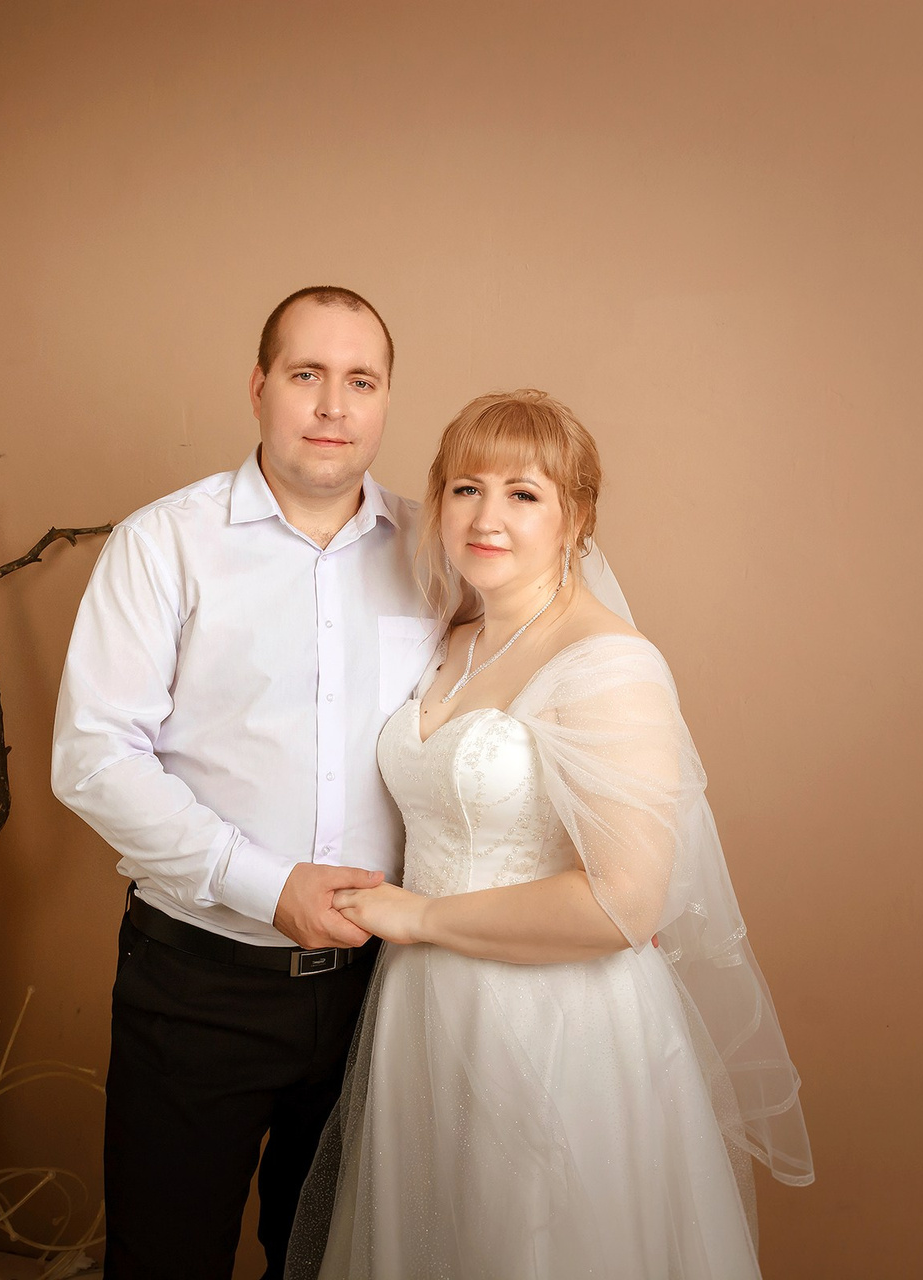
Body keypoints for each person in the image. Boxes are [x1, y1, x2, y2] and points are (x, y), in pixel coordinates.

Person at [50, 290, 631, 1280]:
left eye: (360, 380)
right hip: (200, 981)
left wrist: (613, 864)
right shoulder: (164, 543)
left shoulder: (441, 547)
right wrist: (268, 884)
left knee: (339, 1260)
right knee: (163, 1260)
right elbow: (94, 758)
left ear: (386, 397)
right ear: (259, 387)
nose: (332, 405)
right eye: (306, 375)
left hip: (385, 993)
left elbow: (535, 686)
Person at [284, 390, 814, 1279]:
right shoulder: (447, 643)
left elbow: (625, 903)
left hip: (551, 1024)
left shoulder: (608, 663)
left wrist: (419, 918)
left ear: (577, 518)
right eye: (465, 488)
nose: (486, 517)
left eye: (523, 494)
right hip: (421, 1011)